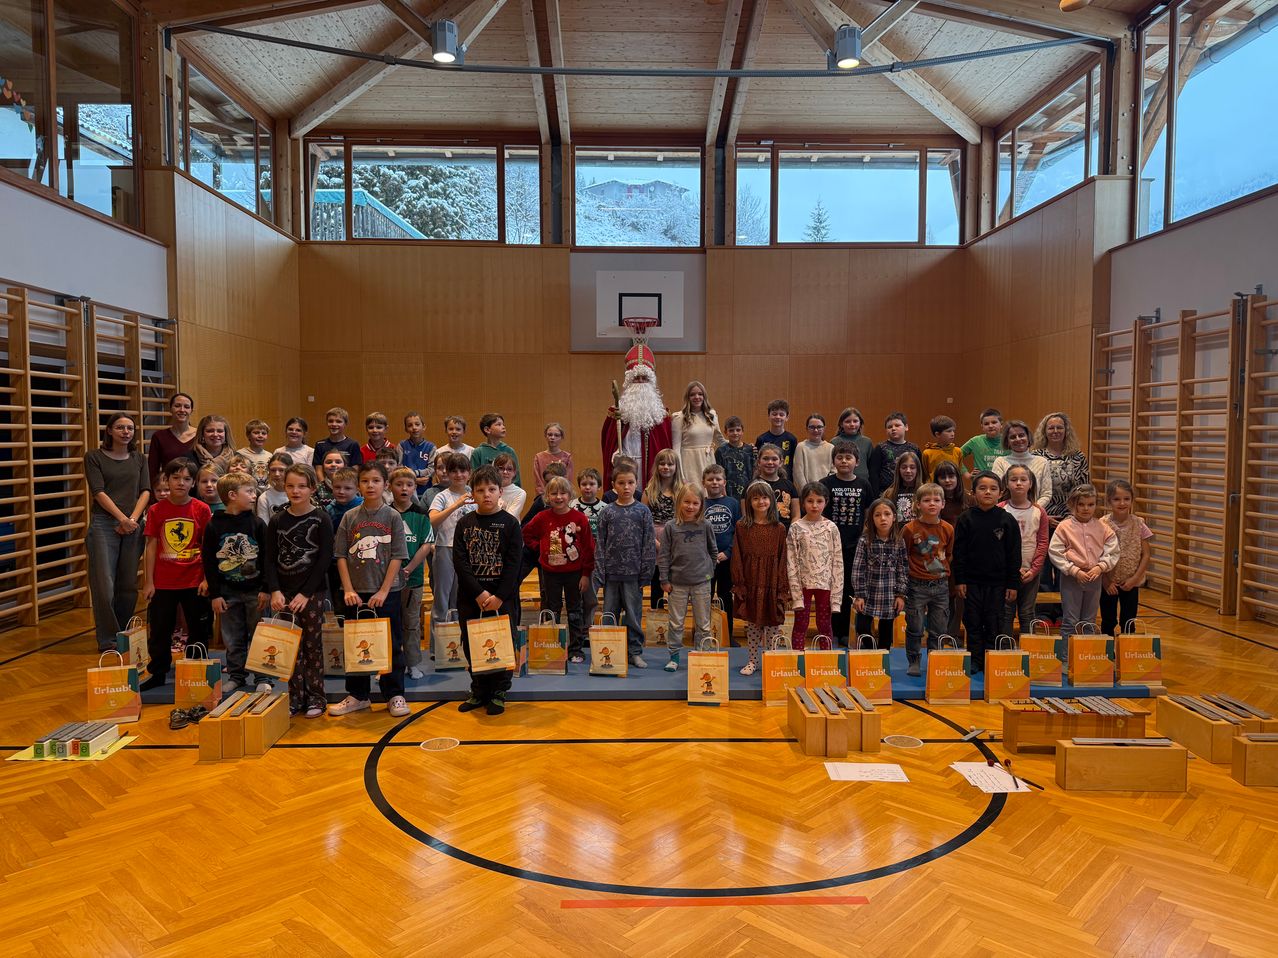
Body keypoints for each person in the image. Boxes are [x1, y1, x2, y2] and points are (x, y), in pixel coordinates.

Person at [330, 461, 410, 718]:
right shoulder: (349, 517)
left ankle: (394, 694)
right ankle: (358, 695)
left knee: (391, 644)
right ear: (358, 486)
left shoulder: (392, 516)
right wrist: (348, 589)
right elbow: (340, 555)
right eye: (365, 481)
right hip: (356, 593)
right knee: (356, 644)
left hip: (387, 592)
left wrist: (384, 591)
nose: (370, 485)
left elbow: (398, 555)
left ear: (385, 485)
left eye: (376, 481)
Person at [454, 465, 525, 715]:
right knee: (472, 643)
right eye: (480, 490)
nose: (486, 494)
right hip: (471, 597)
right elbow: (460, 562)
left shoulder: (510, 524)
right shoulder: (464, 523)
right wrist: (479, 593)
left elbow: (515, 563)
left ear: (500, 492)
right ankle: (479, 689)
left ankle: (499, 691)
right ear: (472, 493)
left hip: (502, 597)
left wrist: (499, 596)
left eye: (491, 489)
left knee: (503, 643)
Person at [265, 463, 333, 718]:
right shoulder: (277, 520)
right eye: (291, 486)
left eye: (302, 486)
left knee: (312, 646)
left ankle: (317, 697)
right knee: (290, 647)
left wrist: (306, 593)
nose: (295, 491)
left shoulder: (321, 518)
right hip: (284, 593)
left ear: (312, 489)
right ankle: (296, 697)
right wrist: (274, 590)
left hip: (312, 593)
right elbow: (270, 559)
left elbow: (325, 559)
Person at [139, 458, 211, 691]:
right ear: (166, 480)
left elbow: (207, 546)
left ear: (194, 483)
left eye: (187, 479)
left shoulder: (202, 509)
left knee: (198, 628)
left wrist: (206, 578)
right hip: (164, 582)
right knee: (160, 630)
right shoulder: (156, 510)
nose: (181, 483)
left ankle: (195, 669)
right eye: (176, 478)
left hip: (194, 580)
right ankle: (158, 671)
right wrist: (148, 581)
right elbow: (150, 546)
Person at [85, 414, 151, 652]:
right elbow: (98, 491)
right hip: (105, 524)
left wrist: (132, 519)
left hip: (134, 523)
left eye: (130, 428)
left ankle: (124, 634)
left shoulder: (139, 458)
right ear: (110, 431)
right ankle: (108, 639)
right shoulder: (94, 457)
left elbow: (146, 491)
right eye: (120, 427)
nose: (126, 431)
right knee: (104, 584)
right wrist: (121, 519)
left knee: (127, 584)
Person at [201, 472, 269, 695]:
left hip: (255, 591)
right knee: (232, 637)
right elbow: (209, 562)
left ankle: (262, 676)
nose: (254, 495)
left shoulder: (257, 524)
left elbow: (268, 558)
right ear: (232, 495)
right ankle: (237, 675)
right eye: (248, 491)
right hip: (228, 591)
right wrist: (215, 595)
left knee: (259, 634)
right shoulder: (213, 526)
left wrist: (267, 589)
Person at [953, 471, 1021, 672]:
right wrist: (960, 580)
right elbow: (959, 552)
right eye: (982, 488)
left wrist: (1012, 583)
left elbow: (1014, 555)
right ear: (973, 492)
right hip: (972, 582)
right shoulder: (966, 519)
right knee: (972, 621)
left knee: (994, 622)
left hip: (998, 584)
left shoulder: (1007, 520)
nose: (988, 492)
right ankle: (975, 659)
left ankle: (991, 657)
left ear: (1001, 493)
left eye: (993, 489)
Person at [523, 476, 595, 665]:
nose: (558, 497)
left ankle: (576, 649)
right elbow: (526, 533)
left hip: (575, 573)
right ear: (547, 496)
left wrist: (586, 574)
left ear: (570, 495)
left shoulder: (579, 518)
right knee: (551, 610)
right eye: (554, 493)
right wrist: (540, 548)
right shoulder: (542, 517)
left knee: (575, 611)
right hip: (550, 573)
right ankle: (551, 647)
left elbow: (589, 547)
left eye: (563, 493)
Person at [597, 463, 656, 669]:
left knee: (633, 615)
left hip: (634, 574)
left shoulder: (643, 511)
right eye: (621, 483)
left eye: (630, 483)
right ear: (614, 485)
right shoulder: (607, 513)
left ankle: (634, 652)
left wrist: (646, 573)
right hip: (611, 575)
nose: (626, 487)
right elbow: (600, 545)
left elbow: (649, 544)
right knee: (609, 616)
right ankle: (608, 653)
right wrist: (600, 573)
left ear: (636, 483)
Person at [731, 481, 789, 675]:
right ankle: (753, 661)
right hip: (751, 581)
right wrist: (740, 582)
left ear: (771, 500)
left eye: (764, 497)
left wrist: (781, 585)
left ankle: (772, 660)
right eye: (755, 498)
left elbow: (783, 558)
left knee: (772, 623)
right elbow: (737, 555)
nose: (760, 501)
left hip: (772, 581)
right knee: (754, 624)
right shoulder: (741, 526)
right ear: (749, 502)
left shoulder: (779, 528)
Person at [658, 483, 718, 672]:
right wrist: (664, 580)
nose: (690, 507)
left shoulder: (705, 525)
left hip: (702, 583)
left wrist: (709, 571)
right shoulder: (671, 527)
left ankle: (702, 655)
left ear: (701, 505)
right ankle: (674, 656)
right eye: (686, 502)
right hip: (677, 584)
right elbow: (664, 555)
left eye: (695, 503)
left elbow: (713, 551)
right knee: (676, 623)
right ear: (679, 502)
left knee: (703, 623)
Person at [1049, 483, 1119, 640]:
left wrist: (1101, 567)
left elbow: (1113, 550)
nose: (1086, 508)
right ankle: (1066, 659)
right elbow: (1055, 551)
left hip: (1095, 578)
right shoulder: (1064, 527)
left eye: (1090, 504)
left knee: (1089, 621)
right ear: (1073, 504)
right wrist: (1073, 570)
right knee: (1070, 621)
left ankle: (1086, 659)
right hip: (1071, 578)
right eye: (1081, 504)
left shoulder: (1103, 527)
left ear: (1096, 505)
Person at [601, 343, 674, 489]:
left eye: (644, 378)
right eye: (636, 378)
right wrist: (616, 454)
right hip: (625, 468)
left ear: (651, 382)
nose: (640, 382)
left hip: (650, 468)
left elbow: (664, 446)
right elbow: (607, 443)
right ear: (628, 382)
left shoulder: (661, 414)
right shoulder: (616, 413)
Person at [821, 440, 871, 647]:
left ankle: (847, 631)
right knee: (833, 589)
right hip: (831, 545)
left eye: (848, 457)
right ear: (833, 461)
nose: (843, 461)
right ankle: (833, 629)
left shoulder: (863, 484)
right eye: (839, 457)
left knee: (852, 587)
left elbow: (868, 514)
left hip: (855, 546)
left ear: (856, 462)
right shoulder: (825, 483)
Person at [901, 482, 955, 674]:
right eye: (926, 500)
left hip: (940, 585)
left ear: (943, 504)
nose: (932, 504)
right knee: (915, 626)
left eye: (936, 500)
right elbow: (903, 555)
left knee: (939, 627)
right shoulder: (909, 529)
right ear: (917, 504)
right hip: (916, 585)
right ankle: (914, 660)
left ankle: (935, 660)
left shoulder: (948, 529)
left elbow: (948, 554)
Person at [387, 467, 433, 681]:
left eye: (409, 485)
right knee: (389, 624)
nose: (404, 489)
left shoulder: (421, 514)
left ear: (415, 487)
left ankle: (412, 663)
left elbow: (426, 544)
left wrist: (408, 569)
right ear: (390, 487)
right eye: (399, 484)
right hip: (386, 582)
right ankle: (388, 665)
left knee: (411, 623)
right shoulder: (385, 513)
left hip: (412, 580)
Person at [787, 482, 842, 651]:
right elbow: (791, 561)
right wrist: (795, 592)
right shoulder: (796, 528)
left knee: (824, 624)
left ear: (826, 502)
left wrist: (836, 597)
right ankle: (798, 659)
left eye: (819, 501)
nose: (815, 505)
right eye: (810, 501)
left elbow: (837, 561)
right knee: (801, 624)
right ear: (803, 502)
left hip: (825, 585)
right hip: (803, 584)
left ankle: (826, 660)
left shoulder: (831, 528)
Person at [428, 453, 476, 641]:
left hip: (468, 552)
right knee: (442, 598)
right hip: (445, 548)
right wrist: (456, 504)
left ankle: (457, 642)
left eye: (462, 470)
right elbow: (432, 520)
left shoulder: (475, 494)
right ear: (447, 473)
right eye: (453, 471)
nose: (458, 475)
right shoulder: (442, 496)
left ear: (469, 473)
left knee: (461, 598)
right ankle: (437, 647)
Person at [851, 498, 908, 653]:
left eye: (887, 514)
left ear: (894, 517)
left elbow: (902, 569)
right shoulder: (865, 541)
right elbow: (858, 569)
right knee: (862, 627)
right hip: (868, 593)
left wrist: (901, 595)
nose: (883, 518)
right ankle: (871, 652)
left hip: (889, 594)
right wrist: (859, 595)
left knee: (886, 632)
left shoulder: (899, 542)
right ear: (871, 519)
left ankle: (882, 658)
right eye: (877, 515)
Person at [1000, 464, 1049, 637]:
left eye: (1023, 479)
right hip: (1006, 573)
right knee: (1006, 613)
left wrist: (1034, 570)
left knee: (1027, 613)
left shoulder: (1038, 511)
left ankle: (1029, 650)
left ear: (1030, 484)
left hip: (1030, 573)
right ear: (1006, 483)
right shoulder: (1000, 509)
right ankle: (1004, 651)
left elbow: (1043, 543)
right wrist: (1010, 570)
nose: (1019, 483)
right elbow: (997, 545)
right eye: (1014, 479)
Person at [1100, 479, 1153, 637]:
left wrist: (1135, 579)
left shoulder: (1139, 524)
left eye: (1126, 499)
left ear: (1132, 500)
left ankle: (1127, 654)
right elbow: (1096, 555)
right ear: (1109, 501)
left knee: (1129, 620)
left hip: (1130, 581)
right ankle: (1107, 654)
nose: (1122, 503)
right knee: (1108, 620)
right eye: (1116, 499)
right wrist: (1105, 581)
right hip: (1108, 581)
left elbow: (1146, 554)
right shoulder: (1102, 524)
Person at [702, 464, 741, 643]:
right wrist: (708, 555)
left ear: (724, 481)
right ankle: (703, 634)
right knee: (704, 598)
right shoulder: (700, 503)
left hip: (726, 560)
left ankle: (727, 634)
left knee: (726, 597)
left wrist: (728, 552)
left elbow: (738, 532)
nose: (714, 482)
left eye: (718, 479)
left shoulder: (732, 503)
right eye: (710, 479)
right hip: (706, 562)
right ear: (704, 482)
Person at [571, 467, 607, 644]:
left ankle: (588, 628)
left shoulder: (605, 509)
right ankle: (575, 629)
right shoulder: (572, 505)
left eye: (592, 484)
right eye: (584, 484)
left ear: (599, 486)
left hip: (594, 559)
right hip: (574, 559)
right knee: (575, 596)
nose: (587, 487)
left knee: (591, 597)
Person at [643, 448, 680, 609]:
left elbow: (684, 518)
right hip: (654, 538)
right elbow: (644, 521)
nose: (666, 467)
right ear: (656, 466)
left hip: (675, 538)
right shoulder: (649, 491)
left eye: (670, 464)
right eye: (662, 463)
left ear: (676, 467)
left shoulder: (681, 490)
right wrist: (656, 543)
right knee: (657, 582)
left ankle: (675, 622)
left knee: (675, 584)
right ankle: (655, 623)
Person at [670, 381, 724, 484]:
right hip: (689, 464)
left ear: (704, 396)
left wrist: (742, 446)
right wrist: (680, 475)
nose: (697, 397)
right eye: (692, 394)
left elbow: (720, 440)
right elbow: (676, 449)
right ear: (687, 397)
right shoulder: (679, 417)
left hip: (708, 461)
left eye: (700, 394)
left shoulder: (711, 415)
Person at [992, 420, 1052, 510]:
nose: (1018, 439)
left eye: (1021, 435)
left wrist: (1030, 509)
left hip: (1034, 514)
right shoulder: (1000, 462)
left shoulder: (1042, 462)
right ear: (1007, 441)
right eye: (1012, 437)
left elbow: (1046, 494)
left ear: (1028, 437)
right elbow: (996, 491)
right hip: (1006, 513)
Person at [868, 411, 922, 498]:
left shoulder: (914, 448)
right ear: (886, 430)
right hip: (886, 494)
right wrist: (875, 496)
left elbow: (920, 471)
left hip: (911, 492)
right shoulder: (880, 448)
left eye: (897, 425)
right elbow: (874, 474)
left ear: (906, 427)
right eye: (889, 427)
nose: (893, 428)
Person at [148, 392, 196, 485]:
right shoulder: (159, 437)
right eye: (177, 406)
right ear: (170, 409)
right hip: (170, 490)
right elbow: (152, 470)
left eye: (186, 407)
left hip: (196, 490)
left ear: (191, 410)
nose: (182, 410)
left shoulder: (200, 435)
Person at [471, 412, 520, 486]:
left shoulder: (509, 451)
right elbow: (474, 478)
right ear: (487, 429)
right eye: (499, 424)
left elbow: (516, 478)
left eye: (503, 424)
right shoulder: (478, 452)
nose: (503, 427)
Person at [754, 443, 797, 526]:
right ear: (759, 462)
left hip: (786, 533)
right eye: (766, 459)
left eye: (774, 459)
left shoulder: (789, 485)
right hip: (759, 533)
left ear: (781, 462)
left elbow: (796, 515)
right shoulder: (751, 486)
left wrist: (790, 534)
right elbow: (746, 516)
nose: (770, 462)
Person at [714, 416, 755, 502]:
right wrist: (723, 492)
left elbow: (754, 472)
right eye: (731, 430)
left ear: (742, 431)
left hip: (748, 492)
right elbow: (719, 474)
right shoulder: (721, 451)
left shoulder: (750, 450)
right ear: (725, 432)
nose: (735, 433)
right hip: (729, 493)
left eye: (738, 430)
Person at [792, 413, 834, 491]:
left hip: (825, 492)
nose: (816, 430)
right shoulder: (801, 447)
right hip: (807, 494)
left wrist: (824, 491)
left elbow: (834, 472)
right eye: (812, 427)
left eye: (819, 427)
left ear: (824, 428)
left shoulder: (831, 448)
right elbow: (798, 473)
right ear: (807, 428)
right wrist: (807, 492)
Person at [754, 399, 797, 476]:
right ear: (769, 416)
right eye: (774, 414)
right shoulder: (761, 439)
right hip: (765, 478)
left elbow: (794, 463)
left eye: (781, 414)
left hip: (786, 478)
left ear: (787, 417)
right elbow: (757, 462)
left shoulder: (792, 439)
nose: (778, 417)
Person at [399, 411, 437, 498]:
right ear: (406, 429)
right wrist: (414, 480)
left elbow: (432, 469)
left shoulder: (431, 447)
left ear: (424, 427)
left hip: (425, 492)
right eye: (410, 425)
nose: (414, 428)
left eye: (417, 424)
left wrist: (414, 472)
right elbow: (398, 468)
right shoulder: (402, 446)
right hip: (405, 492)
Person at [532, 422, 574, 495]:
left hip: (562, 496)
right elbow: (538, 482)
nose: (552, 437)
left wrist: (560, 494)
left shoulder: (567, 457)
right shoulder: (539, 457)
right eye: (550, 434)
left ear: (562, 437)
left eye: (556, 435)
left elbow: (568, 481)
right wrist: (545, 496)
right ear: (545, 436)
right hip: (544, 496)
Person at [833, 407, 873, 485]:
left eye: (855, 421)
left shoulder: (867, 442)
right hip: (839, 482)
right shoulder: (834, 442)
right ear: (841, 424)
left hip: (862, 483)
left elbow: (872, 467)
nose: (852, 424)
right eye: (848, 421)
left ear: (860, 423)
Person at [883, 451, 923, 523]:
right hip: (897, 533)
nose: (908, 471)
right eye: (904, 467)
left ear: (918, 470)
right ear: (898, 469)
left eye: (912, 467)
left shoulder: (924, 492)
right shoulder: (889, 493)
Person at [921, 415, 964, 482]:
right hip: (934, 490)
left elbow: (958, 473)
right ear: (937, 434)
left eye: (953, 431)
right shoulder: (927, 453)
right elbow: (925, 475)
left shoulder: (958, 451)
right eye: (949, 431)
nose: (953, 434)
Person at [961, 408, 1004, 473]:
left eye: (994, 422)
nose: (990, 426)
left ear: (1001, 424)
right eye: (986, 424)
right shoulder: (975, 441)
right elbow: (956, 456)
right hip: (980, 482)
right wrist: (966, 474)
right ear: (982, 427)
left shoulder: (1008, 441)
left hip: (1002, 482)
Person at [255, 452, 292, 522]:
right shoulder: (264, 498)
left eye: (281, 470)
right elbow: (265, 527)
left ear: (290, 470)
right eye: (273, 470)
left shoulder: (298, 493)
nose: (277, 474)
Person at [237, 419, 273, 491]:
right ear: (248, 435)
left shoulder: (270, 455)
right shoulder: (240, 454)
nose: (260, 436)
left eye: (264, 433)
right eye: (256, 433)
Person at [494, 452, 526, 518]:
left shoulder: (520, 493)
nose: (505, 472)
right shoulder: (490, 490)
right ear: (495, 470)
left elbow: (510, 519)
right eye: (501, 468)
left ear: (514, 472)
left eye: (509, 469)